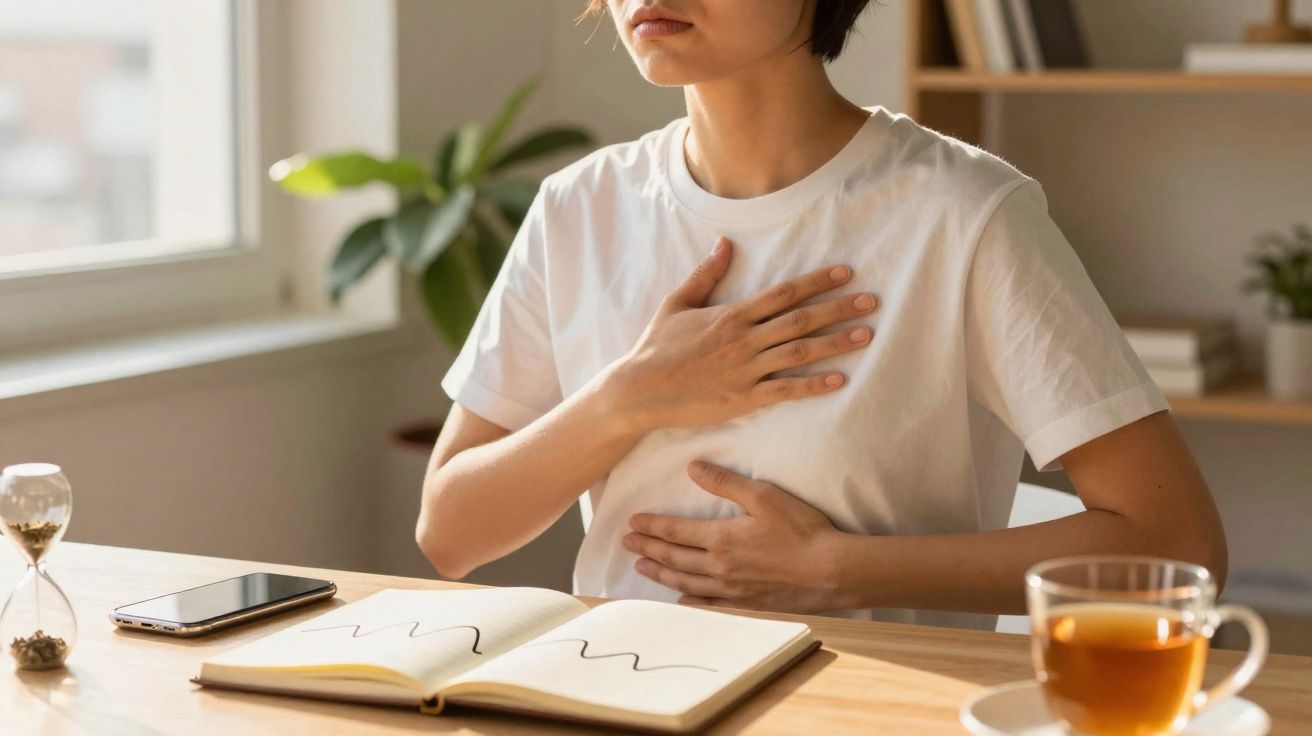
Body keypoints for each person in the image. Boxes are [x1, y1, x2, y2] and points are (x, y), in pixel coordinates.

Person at [415, 0, 1228, 630]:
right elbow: (450, 532)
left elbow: (1175, 542)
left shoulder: (966, 215)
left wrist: (834, 568)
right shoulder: (577, 209)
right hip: (621, 690)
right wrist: (630, 397)